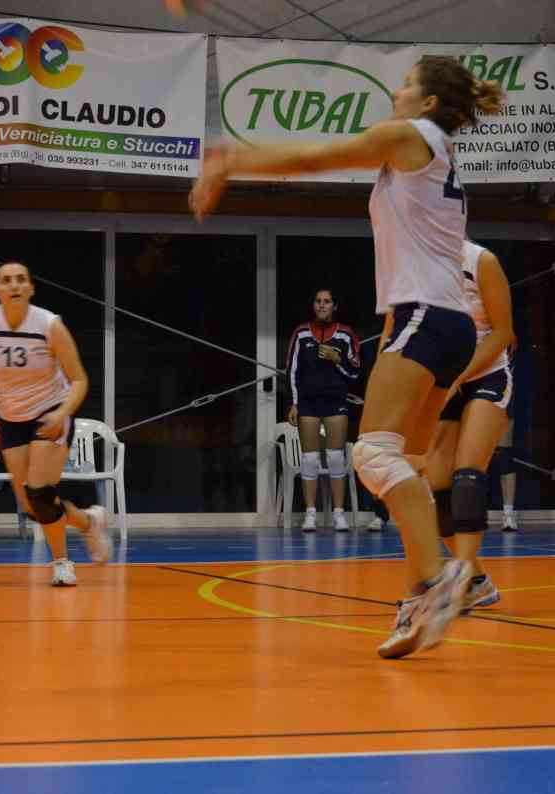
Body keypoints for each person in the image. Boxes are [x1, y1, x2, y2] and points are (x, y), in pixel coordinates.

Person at [191, 55, 504, 658]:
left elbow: (316, 158)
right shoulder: (436, 152)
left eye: (407, 83)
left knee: (373, 455)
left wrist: (231, 160)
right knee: (407, 462)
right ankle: (444, 585)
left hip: (426, 316)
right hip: (444, 324)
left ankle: (435, 582)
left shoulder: (411, 135)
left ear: (429, 101)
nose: (396, 90)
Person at [0, 261, 111, 586]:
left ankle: (62, 563)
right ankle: (88, 522)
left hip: (49, 412)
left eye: (20, 279)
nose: (14, 285)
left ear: (30, 288)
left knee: (40, 493)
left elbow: (80, 380)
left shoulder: (49, 324)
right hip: (11, 419)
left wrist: (61, 413)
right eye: (6, 281)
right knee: (30, 507)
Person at [422, 240, 514, 612]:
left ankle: (456, 582)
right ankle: (477, 580)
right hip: (442, 378)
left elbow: (503, 333)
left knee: (467, 477)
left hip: (486, 373)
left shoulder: (481, 260)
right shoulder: (418, 262)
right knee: (435, 490)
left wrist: (460, 377)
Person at [284, 289, 362, 531]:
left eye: (327, 301)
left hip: (335, 401)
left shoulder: (346, 334)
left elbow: (355, 373)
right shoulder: (301, 333)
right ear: (313, 305)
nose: (322, 305)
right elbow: (291, 371)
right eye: (318, 301)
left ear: (334, 306)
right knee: (309, 459)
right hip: (308, 403)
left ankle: (339, 514)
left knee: (336, 457)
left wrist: (337, 360)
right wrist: (295, 403)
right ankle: (310, 514)